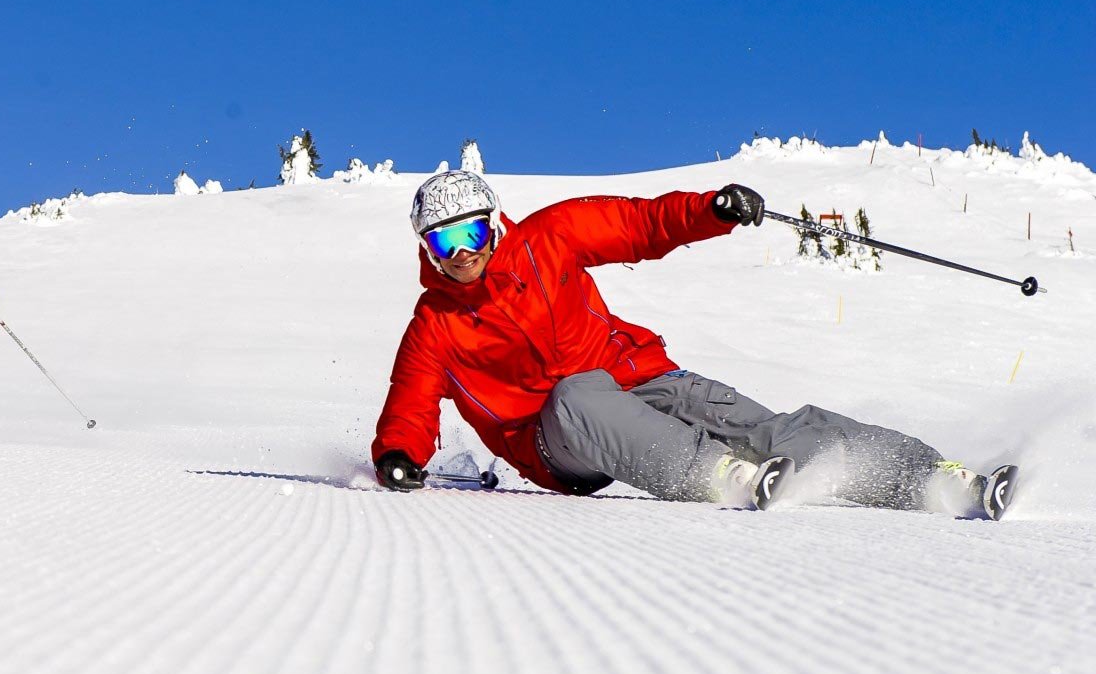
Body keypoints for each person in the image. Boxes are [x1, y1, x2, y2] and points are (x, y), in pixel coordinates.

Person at [370, 170, 1016, 519]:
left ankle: (928, 478)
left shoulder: (550, 237)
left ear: (496, 224)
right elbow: (412, 399)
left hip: (638, 379)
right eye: (444, 245)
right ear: (425, 249)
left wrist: (711, 210)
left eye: (472, 234)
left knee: (756, 423)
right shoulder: (436, 323)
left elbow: (640, 224)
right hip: (558, 440)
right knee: (576, 395)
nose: (465, 256)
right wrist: (400, 453)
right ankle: (715, 474)